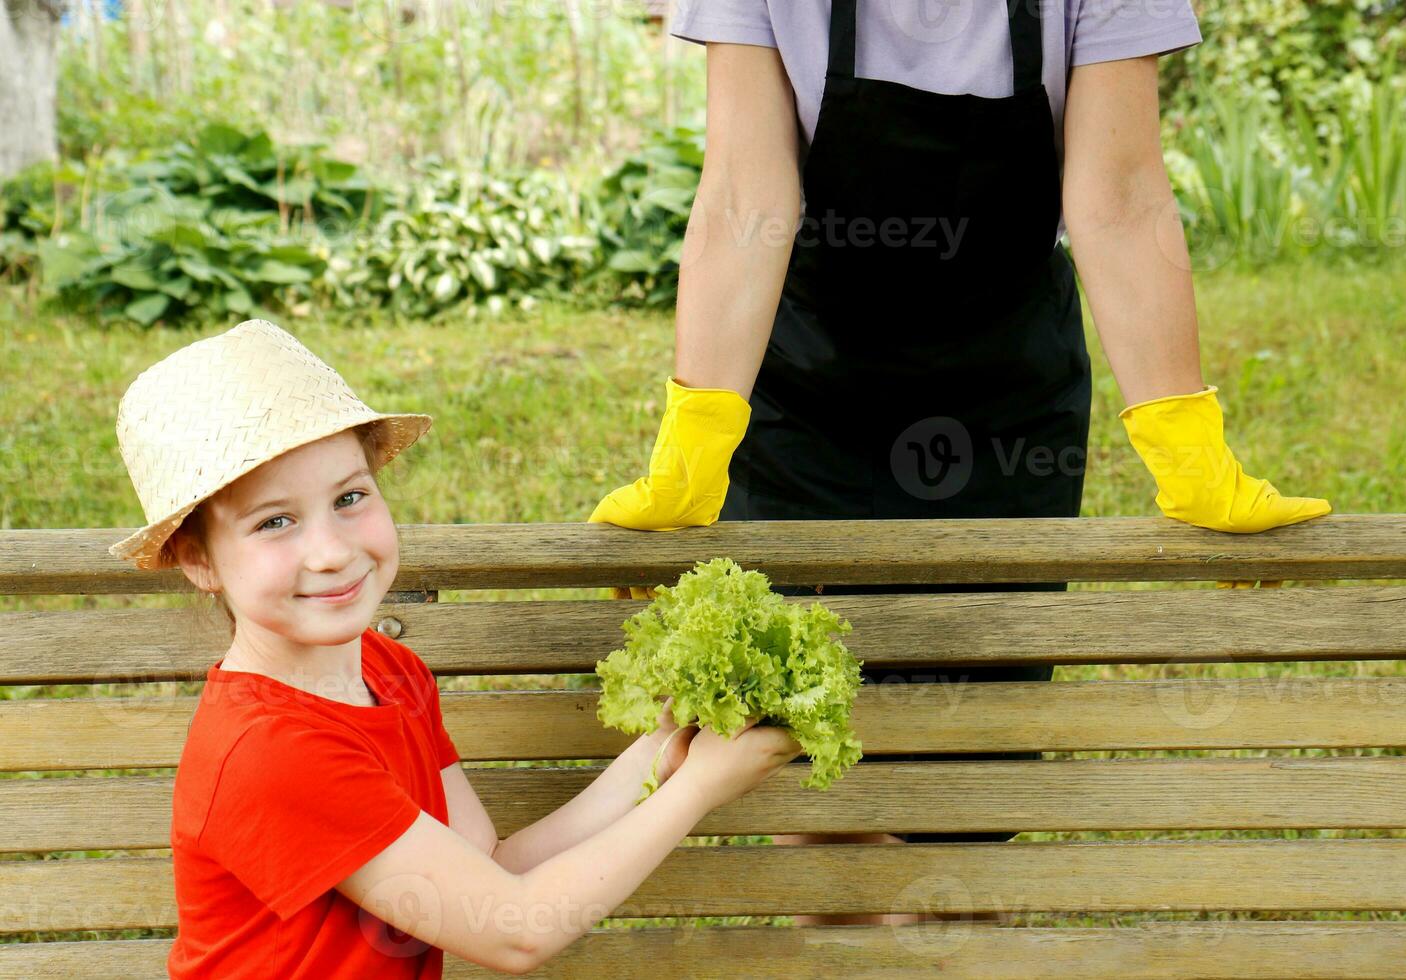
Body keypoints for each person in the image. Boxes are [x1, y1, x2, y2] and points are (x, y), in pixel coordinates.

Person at [589, 0, 1332, 926]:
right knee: (805, 752)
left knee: (971, 781)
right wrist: (696, 439)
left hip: (1005, 395)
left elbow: (1121, 195)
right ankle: (852, 931)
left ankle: (950, 931)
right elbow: (746, 193)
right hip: (808, 393)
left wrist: (1186, 442)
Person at [109, 318, 802, 977]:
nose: (330, 551)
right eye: (276, 522)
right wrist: (701, 789)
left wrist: (665, 747)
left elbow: (493, 863)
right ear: (197, 560)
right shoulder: (269, 751)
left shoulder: (389, 670)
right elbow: (516, 929)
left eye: (349, 498)